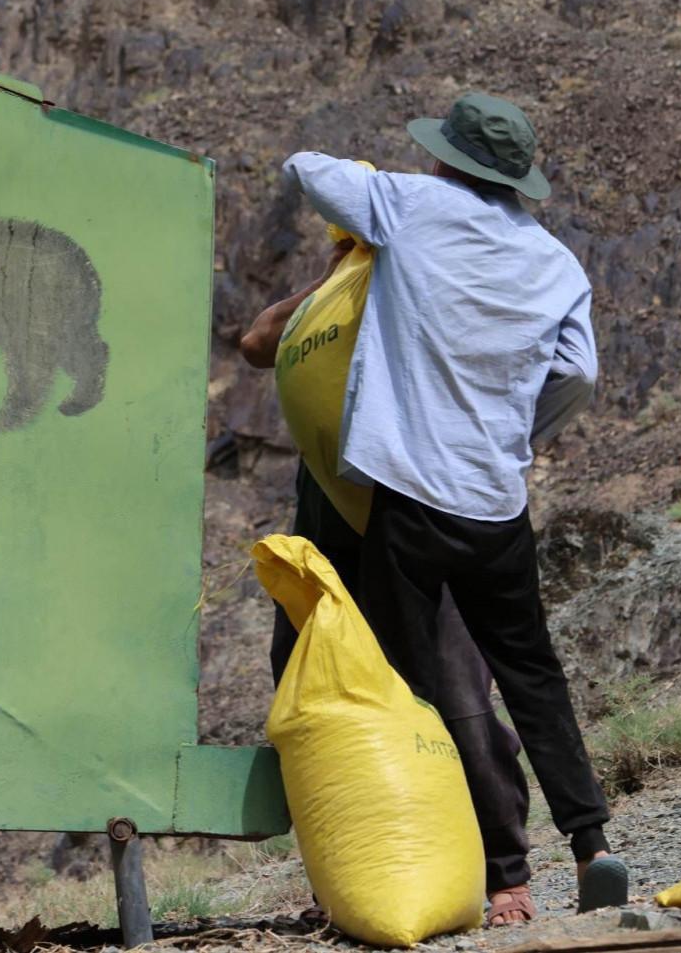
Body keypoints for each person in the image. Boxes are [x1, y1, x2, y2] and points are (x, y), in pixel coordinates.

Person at [278, 93, 627, 912]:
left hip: (407, 500)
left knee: (407, 685)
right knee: (533, 676)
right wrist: (516, 431)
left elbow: (305, 169)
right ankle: (590, 844)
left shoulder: (410, 204)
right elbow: (580, 373)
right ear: (515, 179)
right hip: (496, 505)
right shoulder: (554, 262)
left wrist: (373, 187)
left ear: (445, 157)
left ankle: (462, 868)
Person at [239, 206, 536, 926]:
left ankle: (505, 877)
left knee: (455, 689)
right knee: (314, 689)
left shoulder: (420, 279)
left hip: (417, 511)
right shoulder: (330, 298)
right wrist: (335, 275)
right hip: (327, 521)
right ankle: (345, 877)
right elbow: (254, 341)